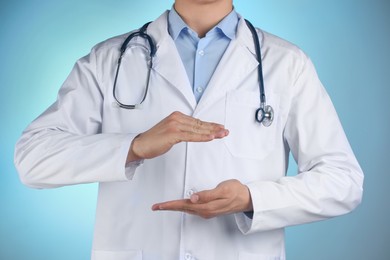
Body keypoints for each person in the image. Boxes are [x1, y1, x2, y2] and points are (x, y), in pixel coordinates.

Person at [14, 0, 364, 259]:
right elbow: (32, 158)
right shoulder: (109, 60)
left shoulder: (286, 63)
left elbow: (343, 181)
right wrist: (133, 146)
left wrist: (251, 199)